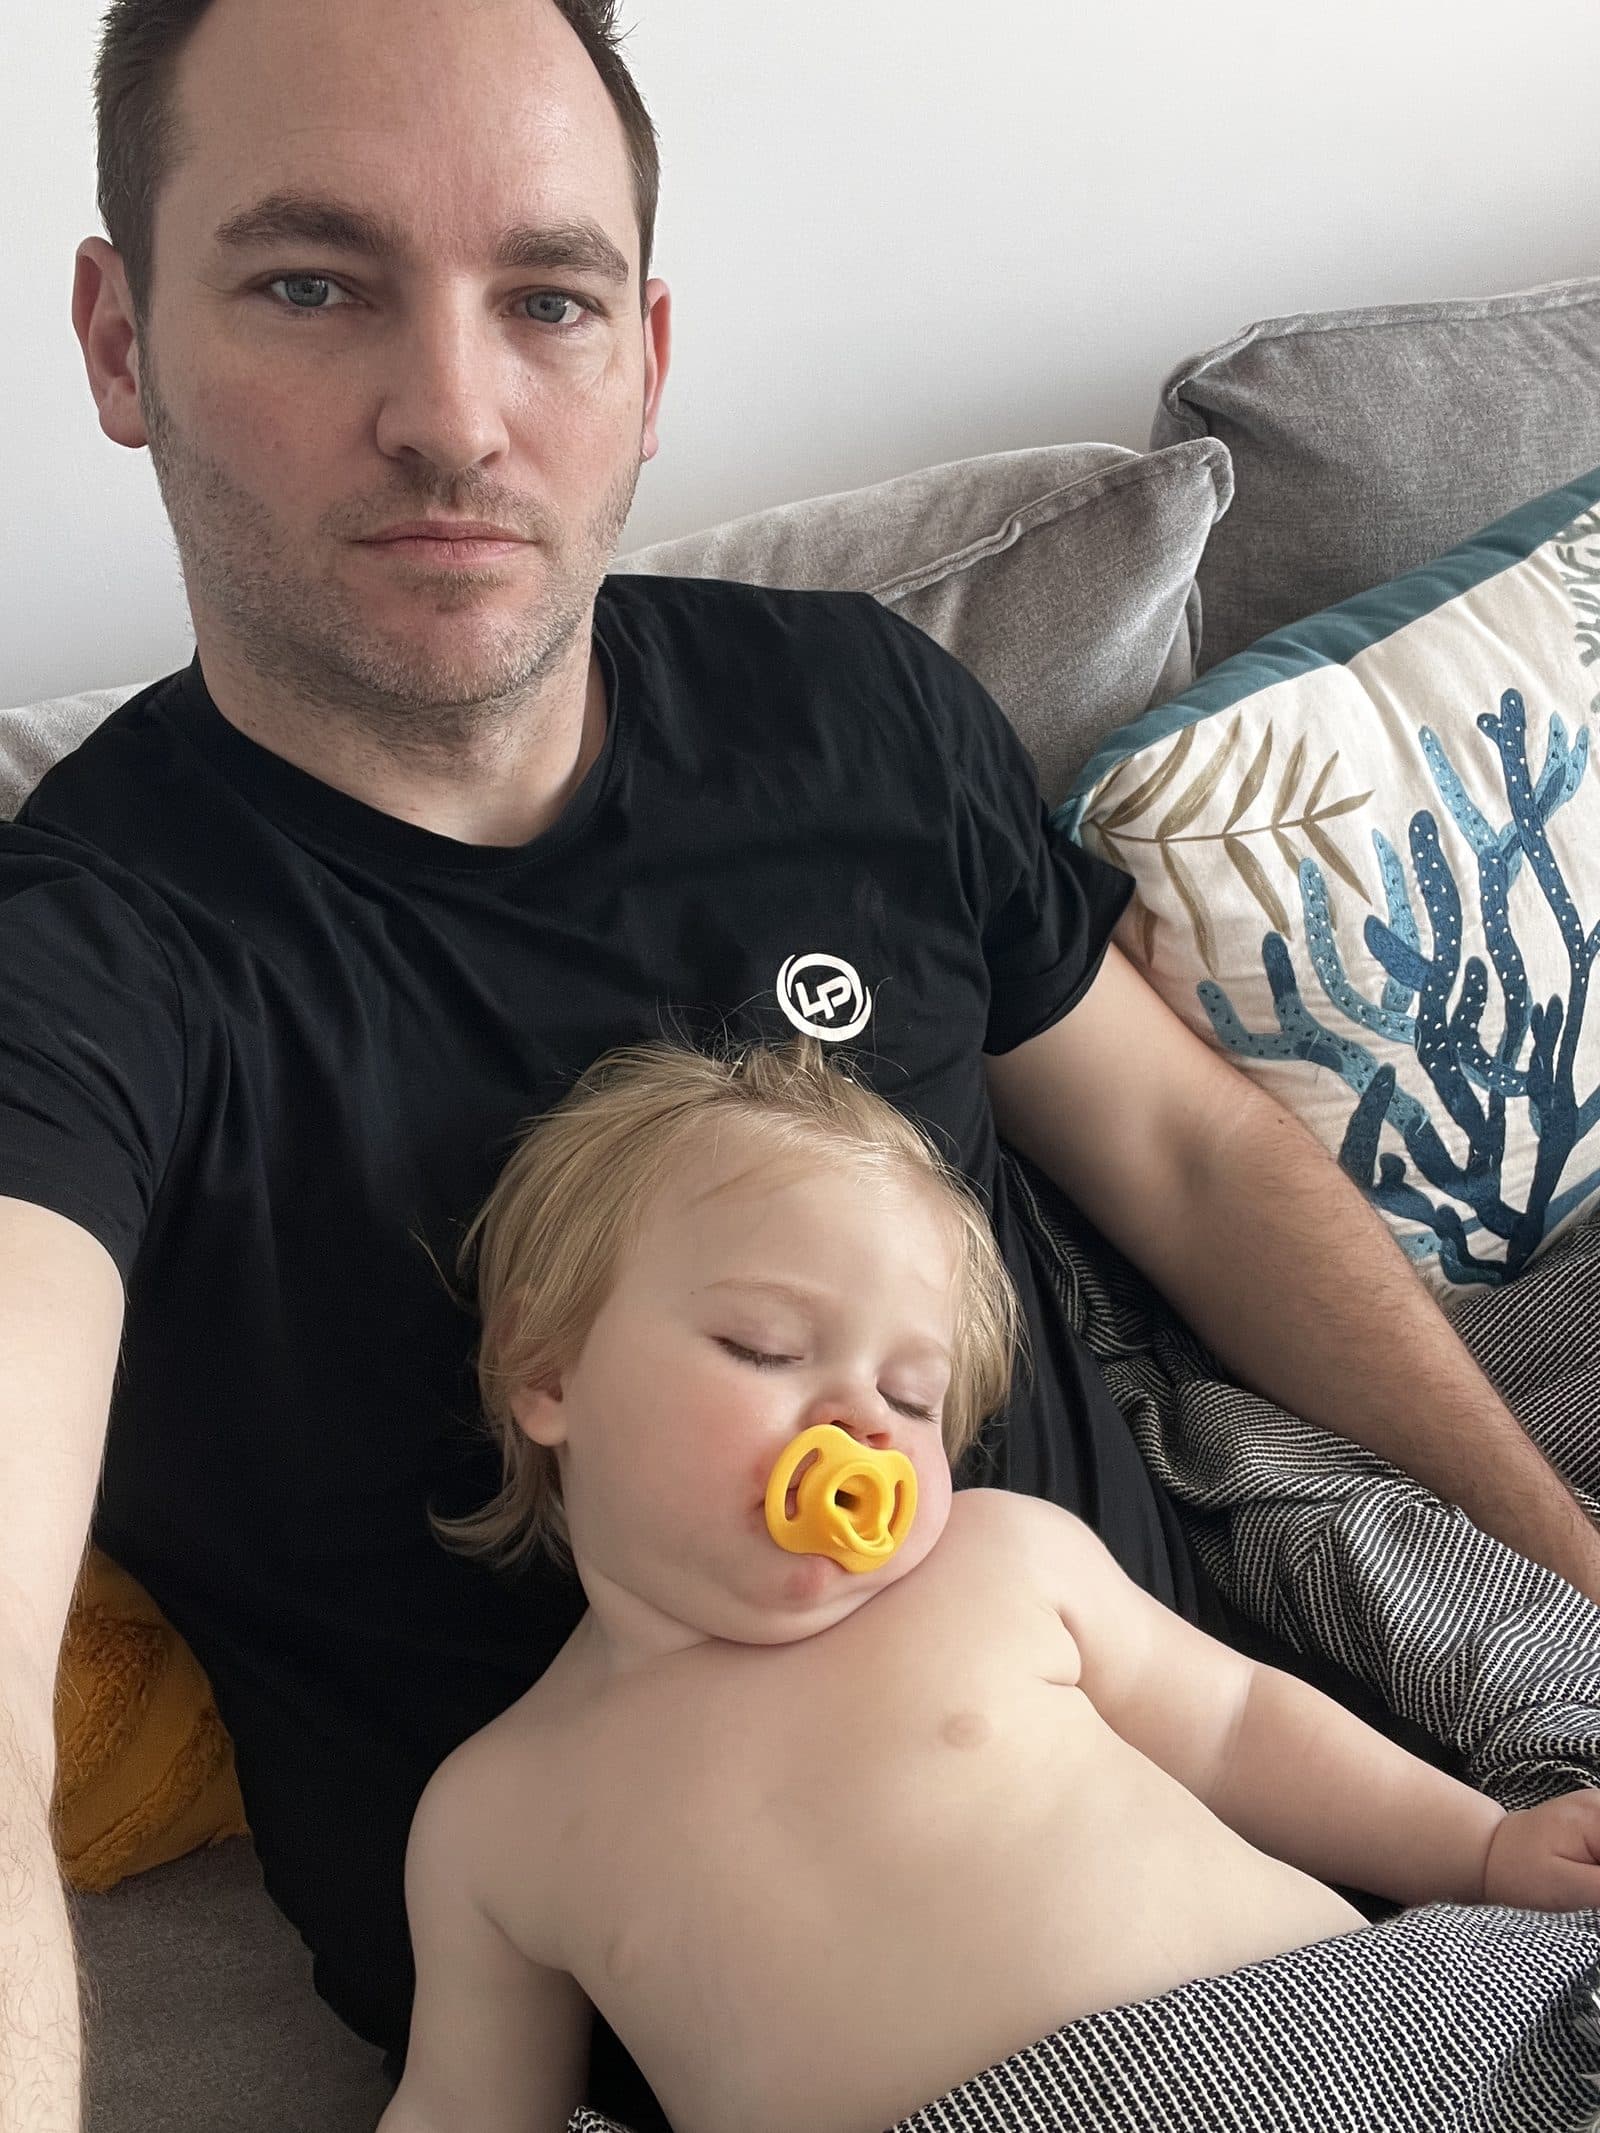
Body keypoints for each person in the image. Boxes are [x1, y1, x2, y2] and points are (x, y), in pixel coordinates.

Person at [3, 0, 1597, 2125]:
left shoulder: (852, 712)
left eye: (545, 298)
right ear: (120, 339)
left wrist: (1566, 1585)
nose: (453, 416)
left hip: (1320, 1890)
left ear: (644, 359)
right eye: (312, 282)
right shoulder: (82, 966)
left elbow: (1196, 1166)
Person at [376, 1036, 1600, 2133]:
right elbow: (465, 2104)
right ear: (545, 1372)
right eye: (762, 1348)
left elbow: (1236, 1727)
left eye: (914, 1400)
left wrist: (1481, 1851)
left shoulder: (997, 1561)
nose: (861, 1418)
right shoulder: (494, 1816)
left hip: (1361, 2050)